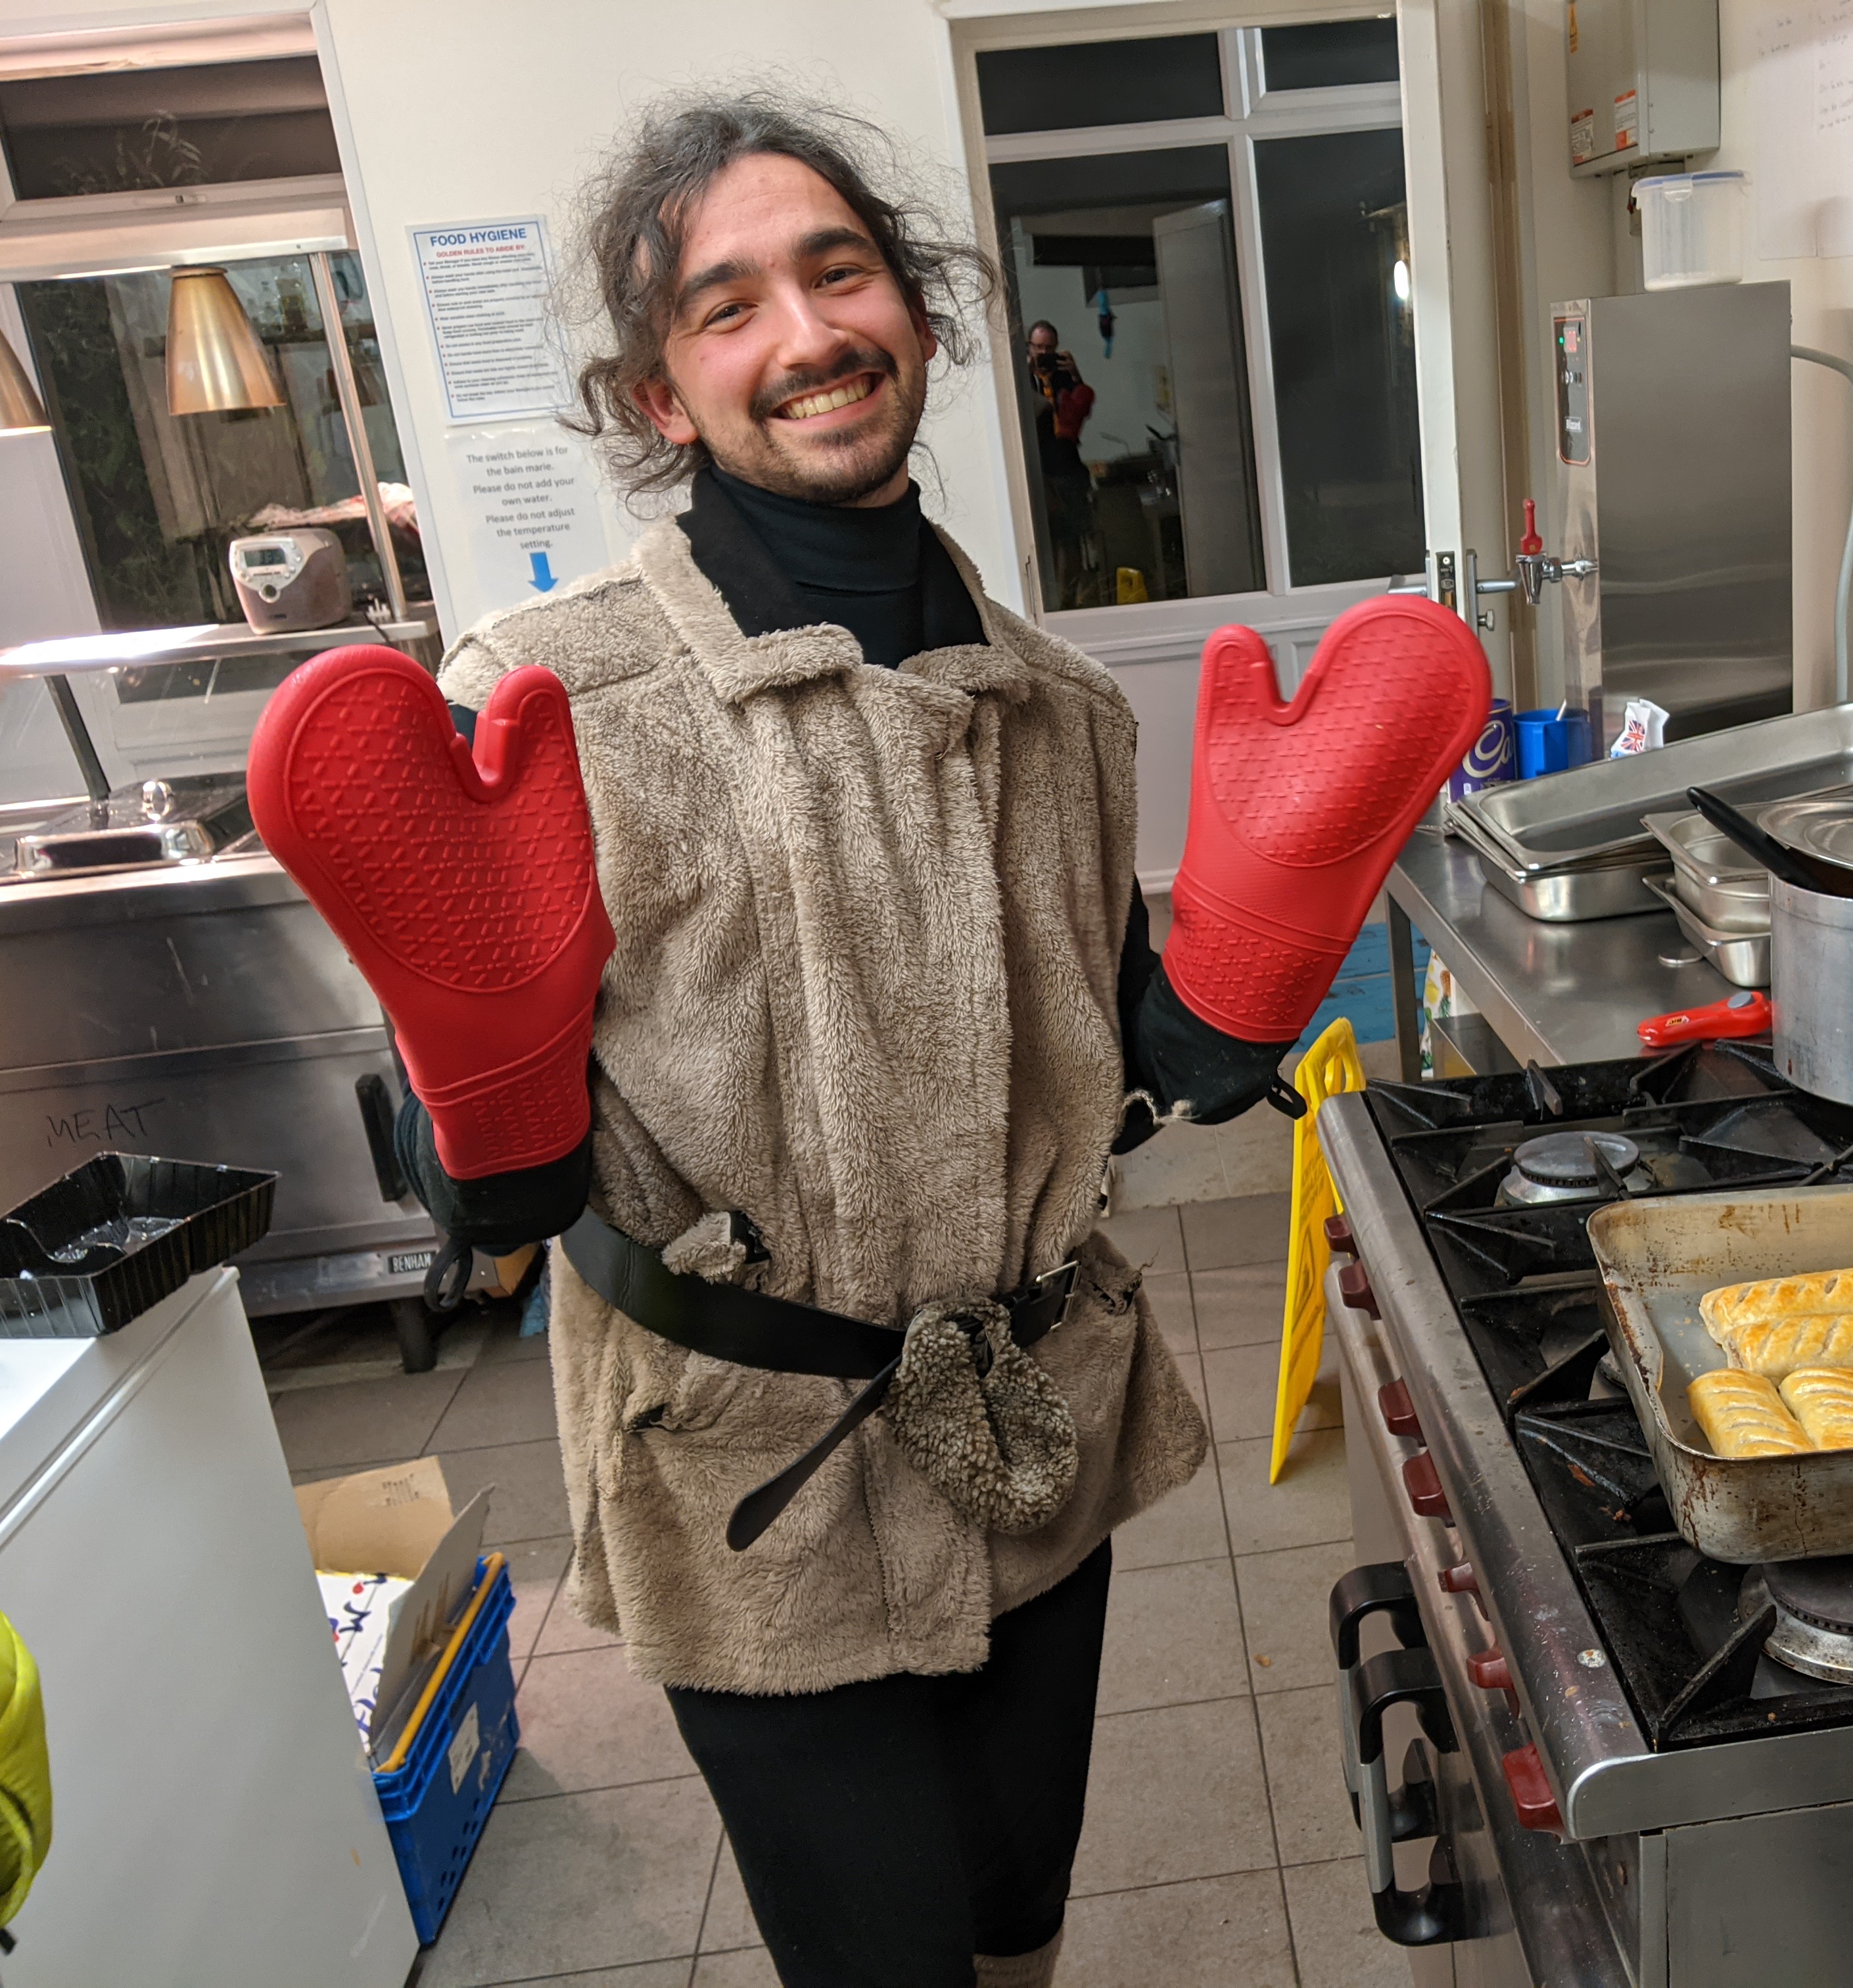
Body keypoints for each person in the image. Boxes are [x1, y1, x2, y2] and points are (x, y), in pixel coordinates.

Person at [246, 87, 1486, 1988]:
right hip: (756, 1481)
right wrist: (484, 1096)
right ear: (661, 397)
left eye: (839, 274)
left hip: (1028, 1428)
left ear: (915, 311)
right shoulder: (550, 705)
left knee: (1019, 1923)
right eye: (727, 307)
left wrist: (1219, 1011)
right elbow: (475, 1181)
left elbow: (1097, 1075)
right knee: (883, 1965)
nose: (807, 335)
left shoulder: (1063, 712)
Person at [1023, 321, 1096, 602]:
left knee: (1073, 537)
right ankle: (1050, 600)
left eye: (1049, 349)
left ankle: (1070, 599)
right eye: (1038, 348)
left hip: (1068, 467)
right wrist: (1026, 372)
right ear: (1029, 347)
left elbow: (1081, 414)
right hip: (1040, 470)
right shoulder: (1022, 380)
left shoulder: (1065, 377)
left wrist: (1076, 376)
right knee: (1047, 541)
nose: (1044, 354)